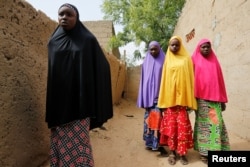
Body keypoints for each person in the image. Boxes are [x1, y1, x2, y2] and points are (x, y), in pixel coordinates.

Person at [45, 3, 113, 167]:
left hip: (80, 104)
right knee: (59, 140)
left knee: (79, 142)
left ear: (77, 18)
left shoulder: (87, 40)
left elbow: (102, 65)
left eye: (69, 14)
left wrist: (91, 86)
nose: (64, 18)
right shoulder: (53, 41)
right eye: (61, 14)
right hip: (59, 104)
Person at [157, 36, 197, 165]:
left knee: (182, 130)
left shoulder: (186, 60)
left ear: (180, 46)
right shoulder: (167, 61)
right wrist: (163, 102)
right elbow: (164, 83)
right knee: (172, 130)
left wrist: (189, 100)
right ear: (168, 46)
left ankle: (182, 153)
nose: (174, 47)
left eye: (176, 45)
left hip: (182, 104)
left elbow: (190, 81)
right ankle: (172, 153)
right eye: (172, 45)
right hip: (170, 103)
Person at [191, 38, 230, 164]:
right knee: (204, 126)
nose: (206, 49)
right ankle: (204, 153)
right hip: (201, 100)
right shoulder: (194, 60)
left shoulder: (214, 61)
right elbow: (190, 81)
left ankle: (216, 150)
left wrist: (222, 100)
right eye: (203, 47)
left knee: (215, 124)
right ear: (199, 48)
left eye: (208, 47)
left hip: (215, 101)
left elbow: (220, 81)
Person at [137, 41, 168, 156]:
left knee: (157, 120)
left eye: (155, 49)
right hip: (148, 97)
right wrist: (144, 98)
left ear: (160, 48)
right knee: (148, 120)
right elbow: (143, 80)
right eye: (151, 49)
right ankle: (149, 143)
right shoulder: (146, 61)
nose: (153, 51)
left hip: (159, 97)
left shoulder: (164, 60)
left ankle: (157, 145)